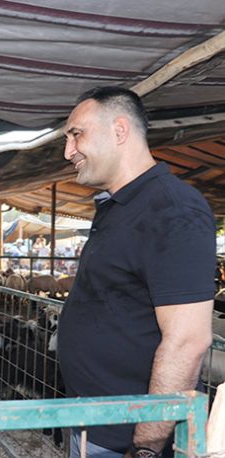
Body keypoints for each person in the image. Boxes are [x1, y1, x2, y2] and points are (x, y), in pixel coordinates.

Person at [58, 87, 215, 458]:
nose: (68, 152)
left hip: (125, 438)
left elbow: (188, 340)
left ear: (119, 130)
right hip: (92, 420)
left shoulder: (173, 211)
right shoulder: (119, 205)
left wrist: (145, 446)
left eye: (76, 134)